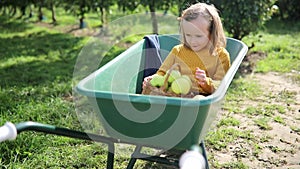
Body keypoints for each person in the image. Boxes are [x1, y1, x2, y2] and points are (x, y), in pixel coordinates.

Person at [143, 2, 231, 95]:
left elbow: (220, 85)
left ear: (212, 33)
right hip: (174, 95)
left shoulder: (221, 55)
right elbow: (162, 73)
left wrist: (206, 82)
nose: (193, 41)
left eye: (198, 36)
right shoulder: (178, 51)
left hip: (201, 97)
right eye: (188, 35)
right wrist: (153, 78)